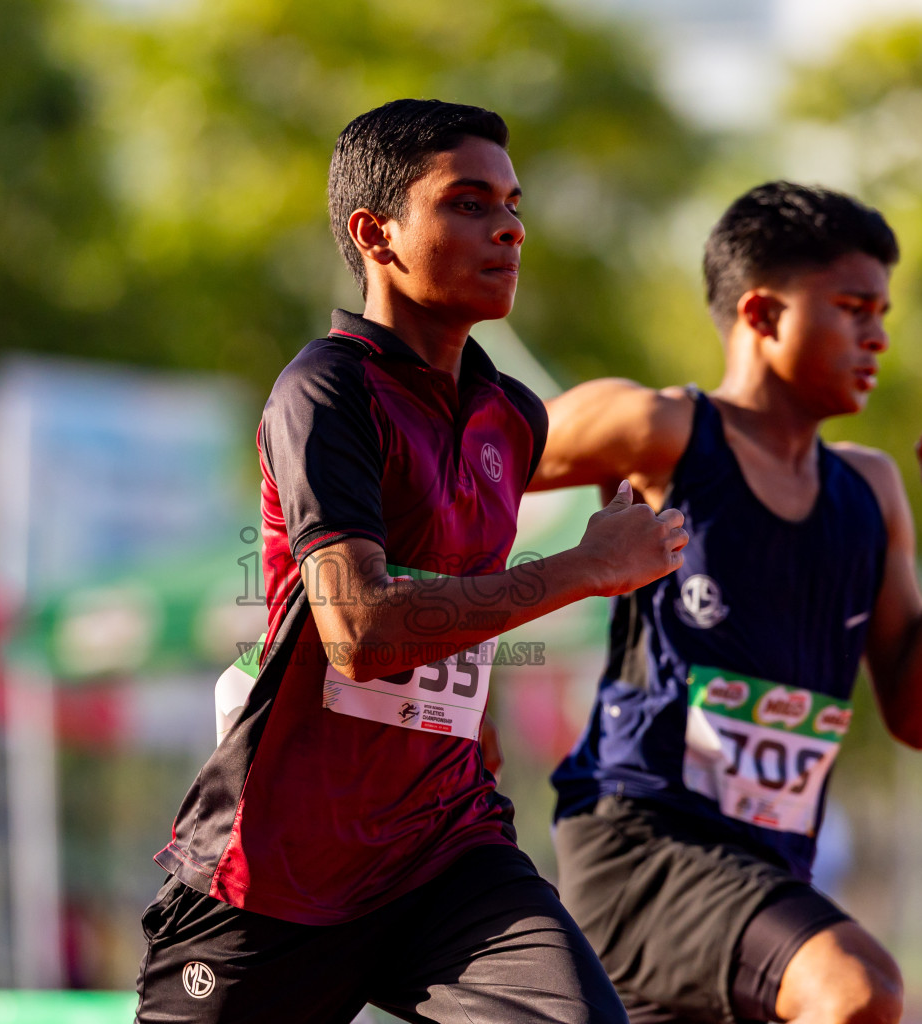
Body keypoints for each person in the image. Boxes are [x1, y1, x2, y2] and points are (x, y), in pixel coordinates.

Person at [135, 98, 688, 1024]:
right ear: (375, 233)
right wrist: (583, 568)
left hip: (444, 849)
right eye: (468, 203)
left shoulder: (513, 415)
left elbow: (459, 606)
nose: (509, 226)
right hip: (280, 870)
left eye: (513, 204)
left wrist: (470, 730)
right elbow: (360, 631)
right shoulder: (325, 389)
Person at [531, 181, 922, 1024]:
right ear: (761, 312)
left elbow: (920, 719)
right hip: (643, 841)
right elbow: (459, 464)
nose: (878, 336)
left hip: (771, 868)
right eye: (853, 307)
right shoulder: (658, 428)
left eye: (882, 312)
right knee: (859, 989)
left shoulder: (871, 489)